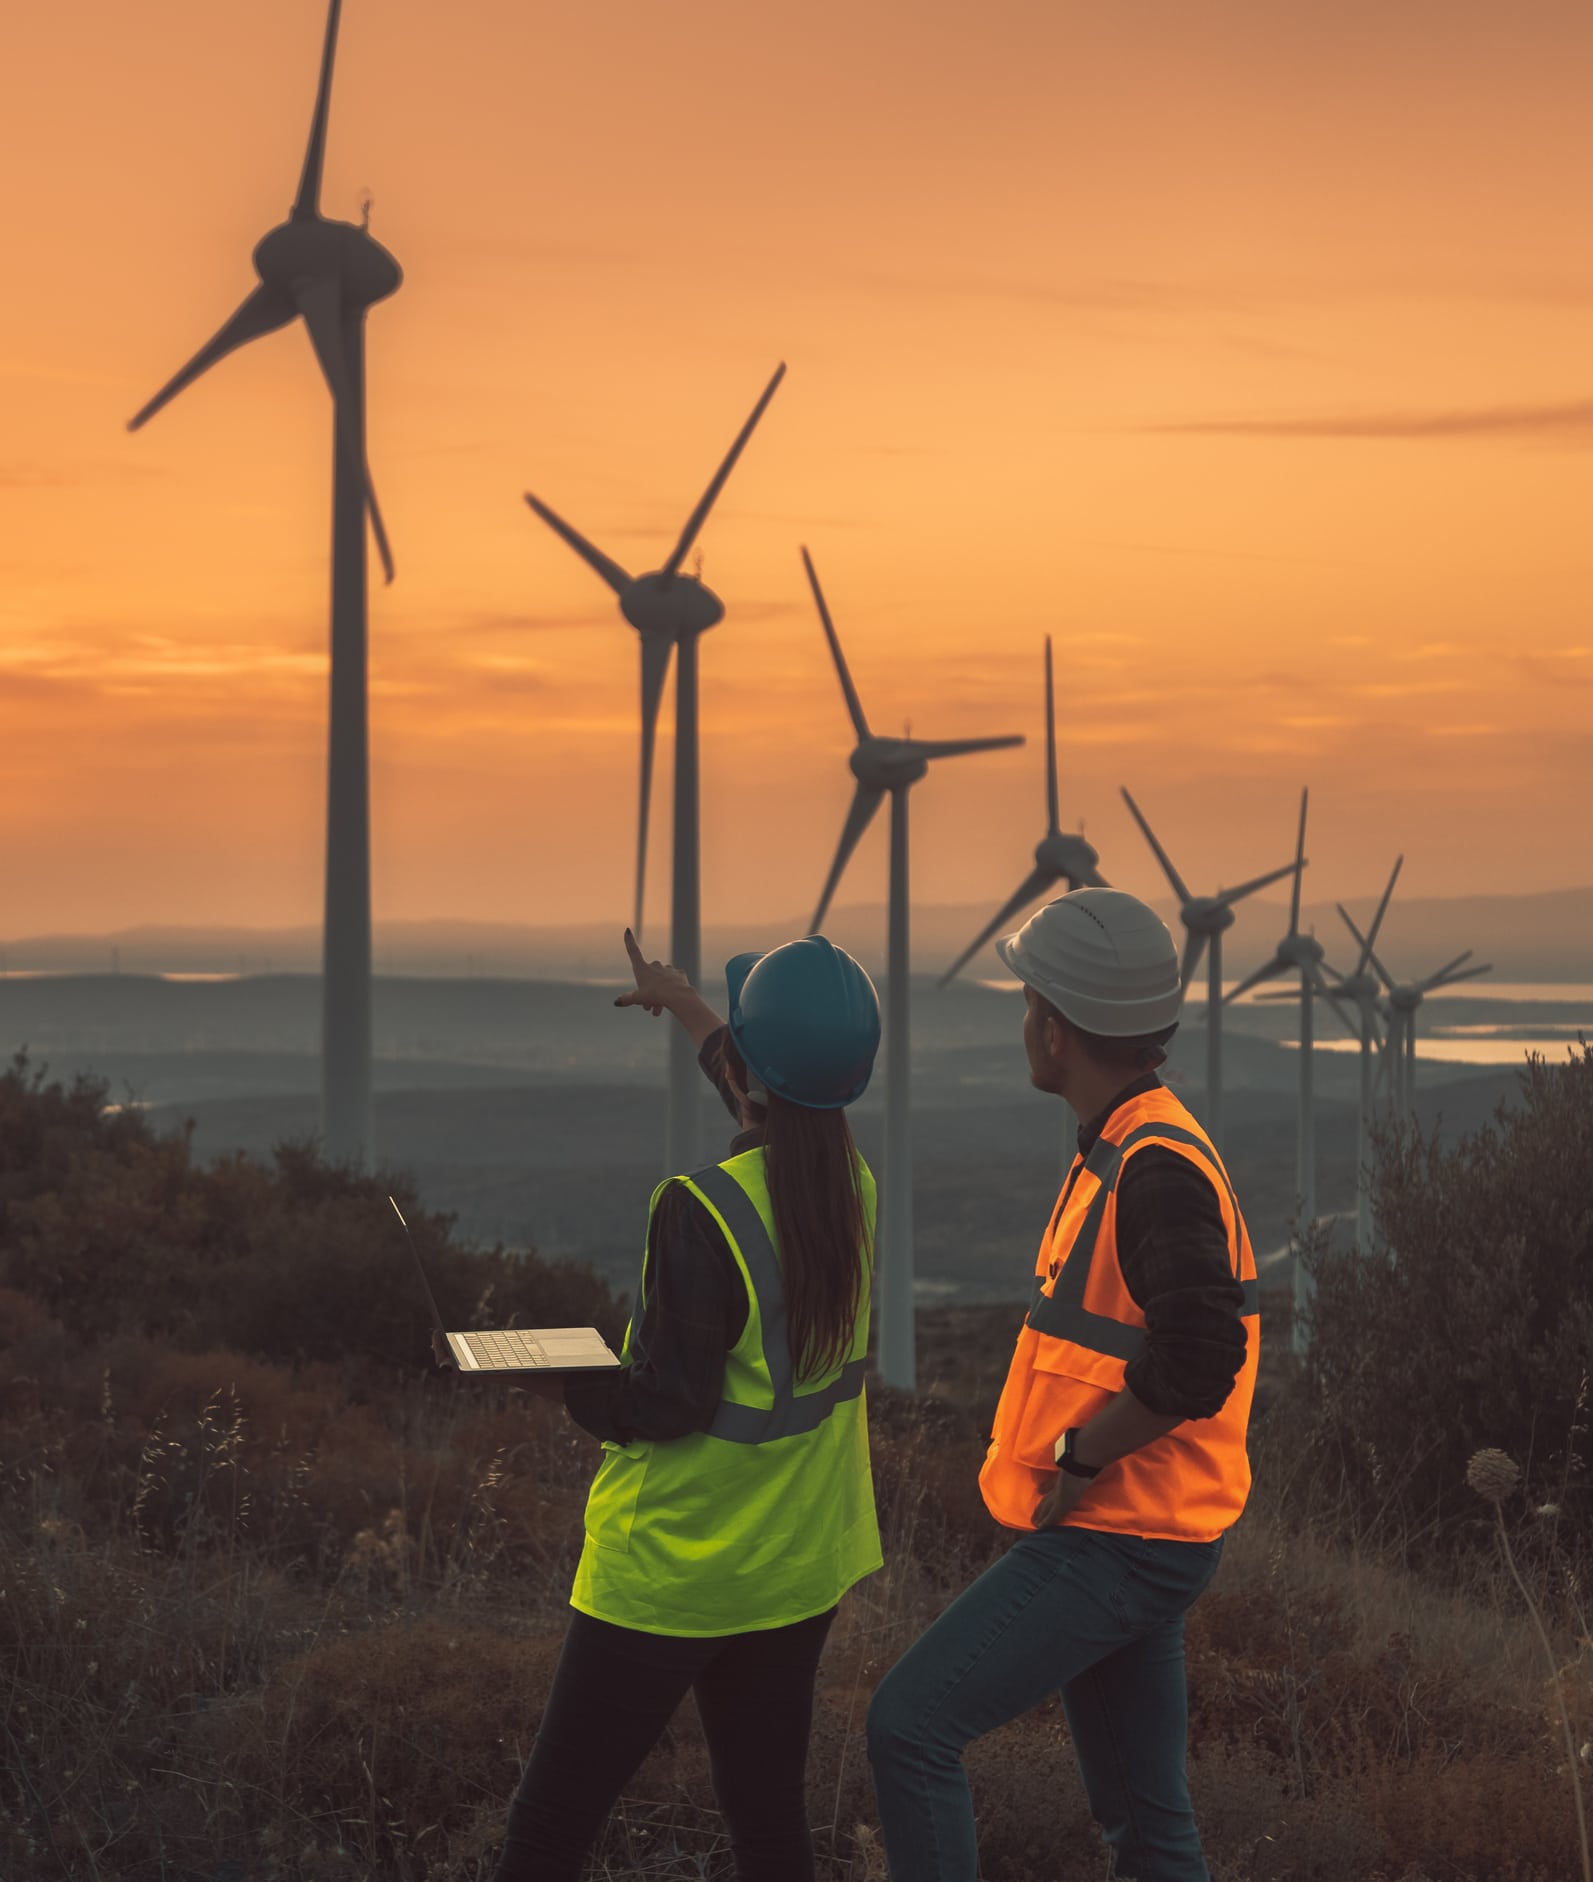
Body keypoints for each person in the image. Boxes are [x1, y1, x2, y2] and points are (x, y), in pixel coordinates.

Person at [468, 927, 884, 1882]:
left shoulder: (701, 1209)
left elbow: (664, 1404)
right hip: (793, 1569)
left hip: (675, 1573)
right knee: (770, 1827)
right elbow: (777, 1091)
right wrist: (687, 1004)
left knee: (546, 1833)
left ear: (746, 1071)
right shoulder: (849, 1189)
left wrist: (543, 1373)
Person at [865, 888, 1259, 1882]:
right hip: (1145, 1526)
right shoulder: (1132, 1143)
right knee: (1143, 1817)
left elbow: (1200, 1353)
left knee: (910, 1730)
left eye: (1030, 999)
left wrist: (1084, 1453)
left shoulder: (1154, 1167)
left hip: (1121, 1533)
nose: (1023, 1020)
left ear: (1057, 1026)